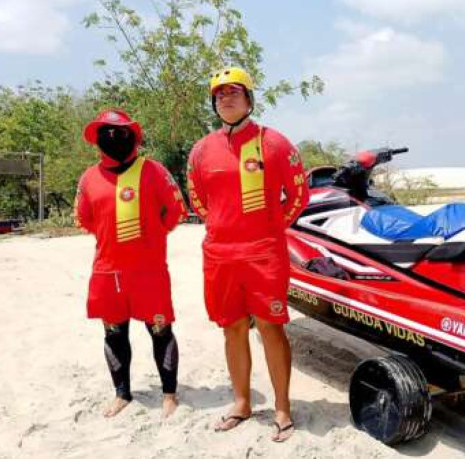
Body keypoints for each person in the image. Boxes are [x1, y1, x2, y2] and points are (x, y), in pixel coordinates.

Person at [186, 67, 309, 442]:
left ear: (250, 98)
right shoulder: (202, 150)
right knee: (232, 328)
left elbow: (299, 195)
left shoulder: (275, 143)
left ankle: (283, 408)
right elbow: (197, 198)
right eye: (219, 93)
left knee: (271, 328)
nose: (226, 98)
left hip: (264, 255)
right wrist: (225, 230)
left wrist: (269, 229)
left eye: (234, 91)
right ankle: (241, 402)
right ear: (213, 102)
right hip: (220, 256)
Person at [75, 109, 187, 418]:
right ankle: (122, 393)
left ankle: (169, 394)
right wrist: (112, 239)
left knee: (161, 331)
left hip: (149, 271)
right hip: (107, 272)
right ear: (97, 141)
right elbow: (84, 218)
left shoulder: (154, 170)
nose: (112, 138)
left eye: (119, 132)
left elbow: (176, 210)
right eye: (105, 133)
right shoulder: (88, 178)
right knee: (113, 334)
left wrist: (152, 235)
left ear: (133, 136)